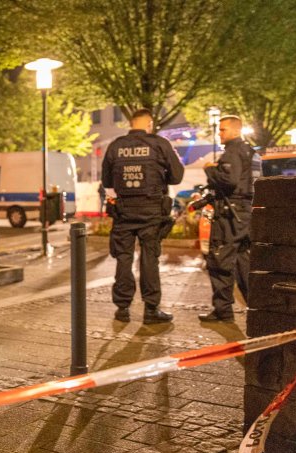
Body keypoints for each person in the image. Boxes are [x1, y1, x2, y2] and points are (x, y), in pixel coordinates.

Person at [101, 109, 184, 324]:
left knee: (123, 259)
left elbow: (108, 181)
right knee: (149, 260)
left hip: (124, 211)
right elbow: (176, 176)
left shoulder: (115, 145)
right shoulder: (160, 144)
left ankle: (122, 308)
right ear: (149, 124)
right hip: (151, 211)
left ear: (131, 123)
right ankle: (151, 310)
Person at [200, 115, 254, 323]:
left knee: (220, 260)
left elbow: (228, 181)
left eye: (222, 130)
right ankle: (256, 305)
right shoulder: (249, 151)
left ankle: (222, 310)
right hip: (243, 213)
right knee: (243, 261)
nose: (219, 133)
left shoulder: (232, 151)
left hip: (230, 215)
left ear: (234, 130)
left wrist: (210, 169)